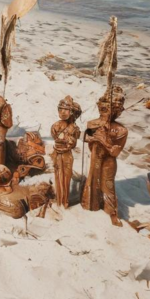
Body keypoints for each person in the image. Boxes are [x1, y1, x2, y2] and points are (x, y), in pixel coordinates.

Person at [81, 87, 127, 227]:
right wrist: (92, 138)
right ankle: (91, 205)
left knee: (108, 185)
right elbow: (85, 138)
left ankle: (111, 211)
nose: (104, 110)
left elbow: (114, 152)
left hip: (108, 161)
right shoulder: (93, 124)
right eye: (102, 107)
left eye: (109, 108)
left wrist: (104, 141)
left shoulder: (121, 130)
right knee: (92, 181)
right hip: (95, 157)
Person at [51, 96, 82, 208]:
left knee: (66, 178)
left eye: (66, 110)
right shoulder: (56, 125)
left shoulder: (74, 128)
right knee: (58, 177)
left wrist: (66, 139)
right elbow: (56, 137)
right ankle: (59, 201)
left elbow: (72, 143)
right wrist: (65, 139)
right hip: (57, 154)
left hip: (67, 155)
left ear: (72, 112)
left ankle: (65, 202)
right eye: (60, 109)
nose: (62, 112)